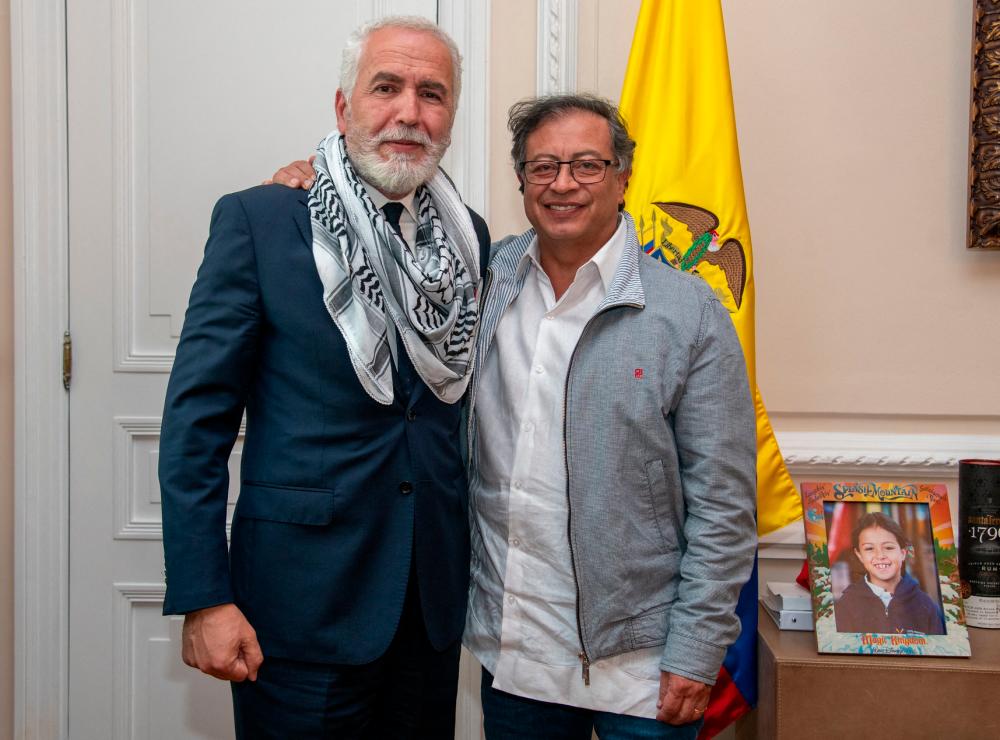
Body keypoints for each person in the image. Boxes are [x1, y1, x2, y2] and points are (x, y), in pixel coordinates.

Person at [271, 93, 757, 739]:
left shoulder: (688, 313)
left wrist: (698, 649)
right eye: (542, 166)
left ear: (623, 176)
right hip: (515, 656)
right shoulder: (477, 281)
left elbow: (724, 503)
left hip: (643, 663)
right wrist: (316, 183)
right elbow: (375, 255)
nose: (562, 184)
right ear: (521, 180)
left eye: (587, 165)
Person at [158, 16, 490, 739]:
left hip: (427, 608)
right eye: (387, 87)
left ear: (451, 117)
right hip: (299, 606)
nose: (409, 111)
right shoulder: (263, 221)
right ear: (344, 108)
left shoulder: (471, 238)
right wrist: (204, 598)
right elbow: (196, 424)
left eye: (432, 94)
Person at [834, 512, 945, 635]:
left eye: (888, 547)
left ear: (903, 553)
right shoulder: (846, 605)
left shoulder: (927, 606)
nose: (880, 556)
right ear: (859, 555)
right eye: (869, 548)